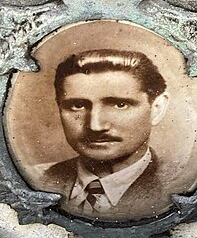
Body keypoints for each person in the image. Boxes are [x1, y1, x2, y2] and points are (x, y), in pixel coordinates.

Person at [36, 49, 172, 220]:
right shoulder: (39, 179)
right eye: (77, 105)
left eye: (120, 104)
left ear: (157, 109)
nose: (95, 126)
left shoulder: (177, 185)